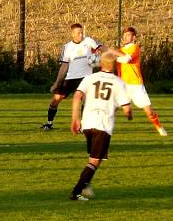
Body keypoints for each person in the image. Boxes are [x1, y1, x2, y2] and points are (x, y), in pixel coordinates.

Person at [69, 52, 133, 201]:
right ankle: (77, 192)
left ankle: (86, 184)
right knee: (94, 161)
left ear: (101, 64)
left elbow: (78, 96)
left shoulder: (89, 78)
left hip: (87, 123)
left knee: (95, 159)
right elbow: (127, 108)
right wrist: (129, 115)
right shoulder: (118, 82)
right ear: (115, 65)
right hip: (103, 125)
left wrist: (75, 118)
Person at [41, 23, 106, 130]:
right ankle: (49, 123)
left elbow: (102, 47)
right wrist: (57, 83)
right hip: (70, 78)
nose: (81, 35)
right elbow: (64, 67)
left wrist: (108, 56)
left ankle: (84, 125)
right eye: (78, 33)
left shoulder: (89, 41)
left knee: (86, 100)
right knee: (56, 99)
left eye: (82, 32)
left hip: (86, 78)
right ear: (73, 34)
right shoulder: (67, 47)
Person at [111, 27, 166, 136]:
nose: (125, 37)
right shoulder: (120, 50)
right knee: (111, 108)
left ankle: (159, 127)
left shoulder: (134, 47)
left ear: (133, 37)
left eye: (128, 35)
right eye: (125, 35)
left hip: (136, 85)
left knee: (149, 111)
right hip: (122, 85)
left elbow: (126, 59)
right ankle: (99, 127)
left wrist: (114, 56)